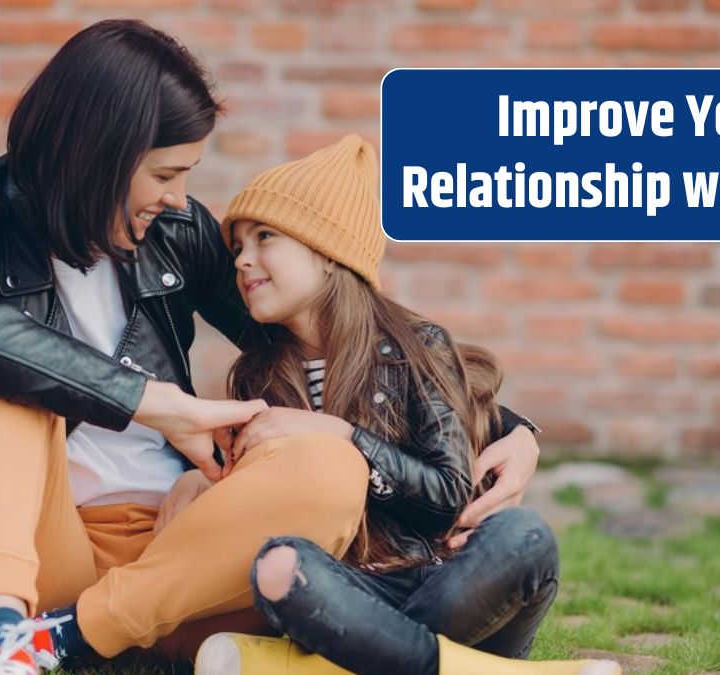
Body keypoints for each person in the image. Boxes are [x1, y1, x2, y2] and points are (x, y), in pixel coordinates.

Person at [0, 19, 544, 675]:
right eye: (165, 174)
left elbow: (322, 336)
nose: (180, 197)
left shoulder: (174, 233)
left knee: (333, 466)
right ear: (100, 155)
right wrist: (153, 403)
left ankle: (58, 640)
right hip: (27, 552)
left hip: (181, 553)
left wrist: (508, 428)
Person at [155, 135, 616, 675]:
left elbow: (447, 495)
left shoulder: (418, 350)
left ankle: (348, 663)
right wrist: (202, 481)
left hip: (444, 581)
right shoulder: (258, 374)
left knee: (525, 536)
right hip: (351, 589)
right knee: (279, 565)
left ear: (326, 252)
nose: (243, 261)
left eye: (264, 237)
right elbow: (260, 496)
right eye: (237, 247)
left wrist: (342, 435)